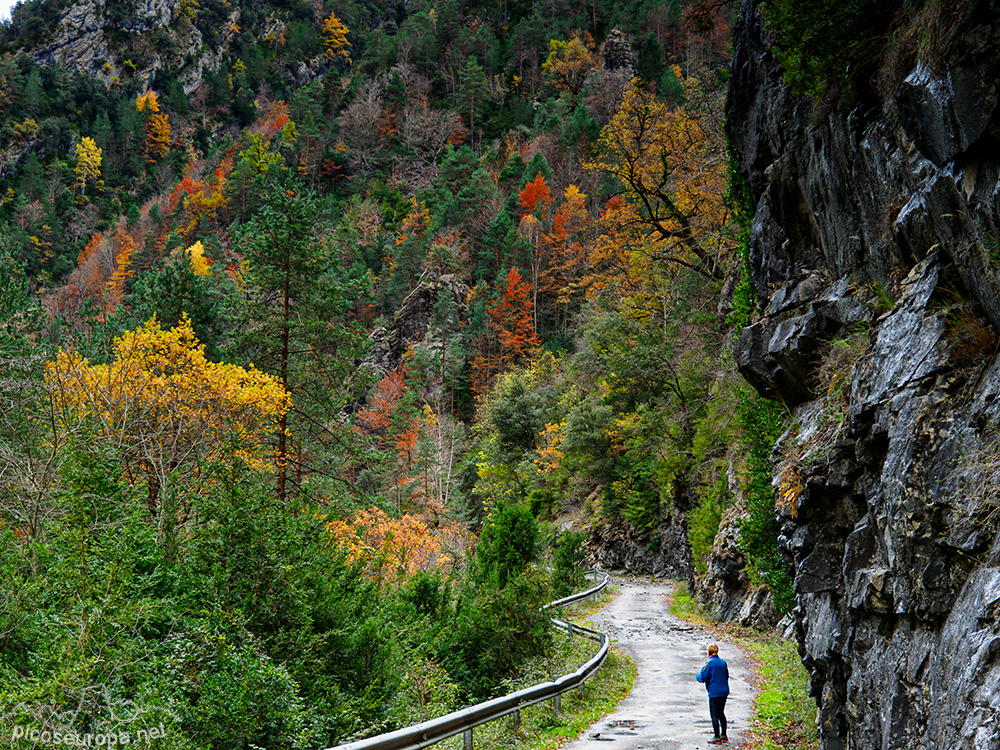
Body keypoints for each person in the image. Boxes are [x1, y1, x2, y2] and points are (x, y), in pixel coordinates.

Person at [696, 643, 730, 744]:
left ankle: (716, 736)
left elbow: (702, 677)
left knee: (714, 714)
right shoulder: (723, 662)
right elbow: (726, 675)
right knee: (721, 713)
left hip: (714, 692)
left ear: (708, 652)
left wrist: (697, 676)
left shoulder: (709, 663)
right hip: (724, 691)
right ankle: (724, 735)